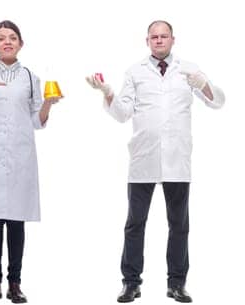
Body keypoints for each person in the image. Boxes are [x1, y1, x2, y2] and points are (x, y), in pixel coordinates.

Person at [89, 20, 223, 304]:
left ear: (173, 39)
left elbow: (217, 102)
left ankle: (176, 284)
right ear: (147, 40)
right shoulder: (135, 72)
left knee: (179, 224)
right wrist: (108, 92)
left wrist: (204, 83)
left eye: (164, 36)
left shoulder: (188, 69)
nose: (159, 40)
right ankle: (130, 283)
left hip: (177, 159)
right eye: (154, 37)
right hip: (143, 159)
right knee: (135, 223)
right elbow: (123, 113)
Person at [0, 20, 61, 304]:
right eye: (1, 38)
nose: (7, 42)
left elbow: (37, 122)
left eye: (12, 38)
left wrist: (47, 105)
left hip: (20, 157)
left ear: (20, 43)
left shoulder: (31, 78)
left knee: (17, 221)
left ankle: (15, 283)